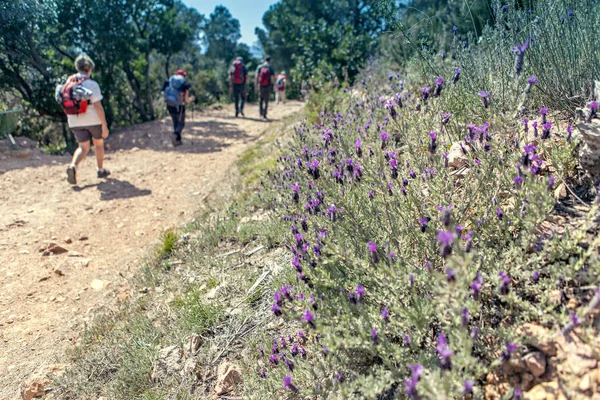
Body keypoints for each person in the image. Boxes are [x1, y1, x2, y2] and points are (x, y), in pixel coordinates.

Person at [63, 55, 110, 185]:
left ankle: (73, 166)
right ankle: (100, 170)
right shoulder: (91, 84)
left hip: (74, 120)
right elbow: (98, 107)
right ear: (89, 68)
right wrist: (104, 125)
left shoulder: (68, 83)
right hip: (93, 120)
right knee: (98, 144)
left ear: (77, 67)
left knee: (83, 147)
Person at [162, 70, 195, 146]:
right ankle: (175, 135)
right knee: (181, 124)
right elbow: (187, 100)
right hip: (179, 107)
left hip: (169, 105)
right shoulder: (184, 86)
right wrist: (192, 99)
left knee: (175, 123)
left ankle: (177, 141)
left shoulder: (169, 84)